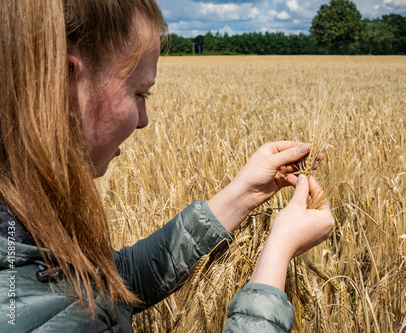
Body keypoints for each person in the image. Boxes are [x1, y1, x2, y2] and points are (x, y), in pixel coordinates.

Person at [0, 0, 334, 332]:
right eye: (140, 94)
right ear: (68, 84)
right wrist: (278, 253)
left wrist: (244, 194)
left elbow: (110, 283)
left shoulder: (20, 212)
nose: (144, 120)